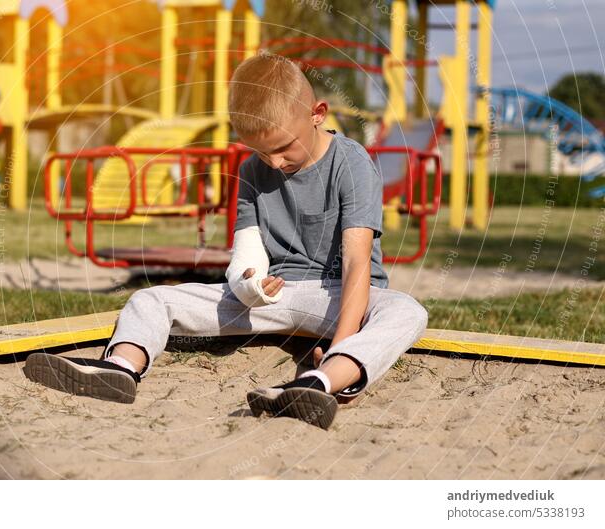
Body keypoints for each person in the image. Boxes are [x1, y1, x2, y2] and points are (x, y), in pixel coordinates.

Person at [22, 53, 429, 430]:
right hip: (273, 297)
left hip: (339, 297)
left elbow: (358, 264)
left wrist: (342, 343)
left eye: (284, 148)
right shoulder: (253, 170)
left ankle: (323, 383)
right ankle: (121, 368)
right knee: (151, 299)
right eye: (260, 150)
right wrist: (249, 286)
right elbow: (247, 254)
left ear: (317, 113)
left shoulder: (351, 161)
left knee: (406, 311)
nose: (273, 162)